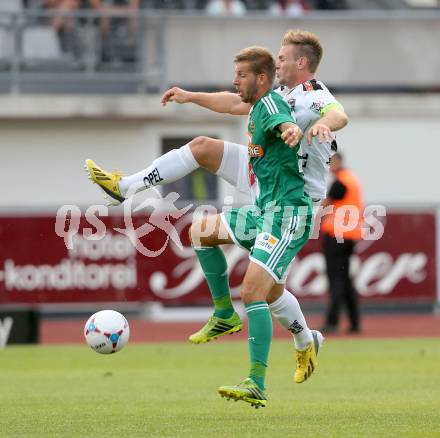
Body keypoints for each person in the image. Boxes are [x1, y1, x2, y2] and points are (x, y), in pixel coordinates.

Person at [85, 29, 345, 392]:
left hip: (293, 197)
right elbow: (236, 102)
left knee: (260, 291)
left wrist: (319, 125)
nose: (278, 61)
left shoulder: (314, 96)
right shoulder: (276, 94)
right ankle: (124, 187)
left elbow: (339, 115)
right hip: (267, 180)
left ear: (301, 62)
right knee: (202, 164)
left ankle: (266, 370)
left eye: (283, 57)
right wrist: (191, 96)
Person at [189, 46, 315, 407]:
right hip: (264, 211)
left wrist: (292, 129)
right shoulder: (257, 107)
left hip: (288, 215)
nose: (234, 80)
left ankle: (256, 381)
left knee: (253, 292)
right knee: (201, 232)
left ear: (261, 79)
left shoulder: (271, 105)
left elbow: (284, 121)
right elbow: (228, 101)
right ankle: (226, 315)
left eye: (241, 75)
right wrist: (188, 96)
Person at [320, 152, 363, 334]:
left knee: (336, 279)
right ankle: (354, 322)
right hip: (350, 235)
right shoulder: (351, 179)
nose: (329, 167)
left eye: (331, 163)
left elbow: (325, 205)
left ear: (337, 162)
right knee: (345, 279)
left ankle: (332, 321)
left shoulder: (340, 182)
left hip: (337, 235)